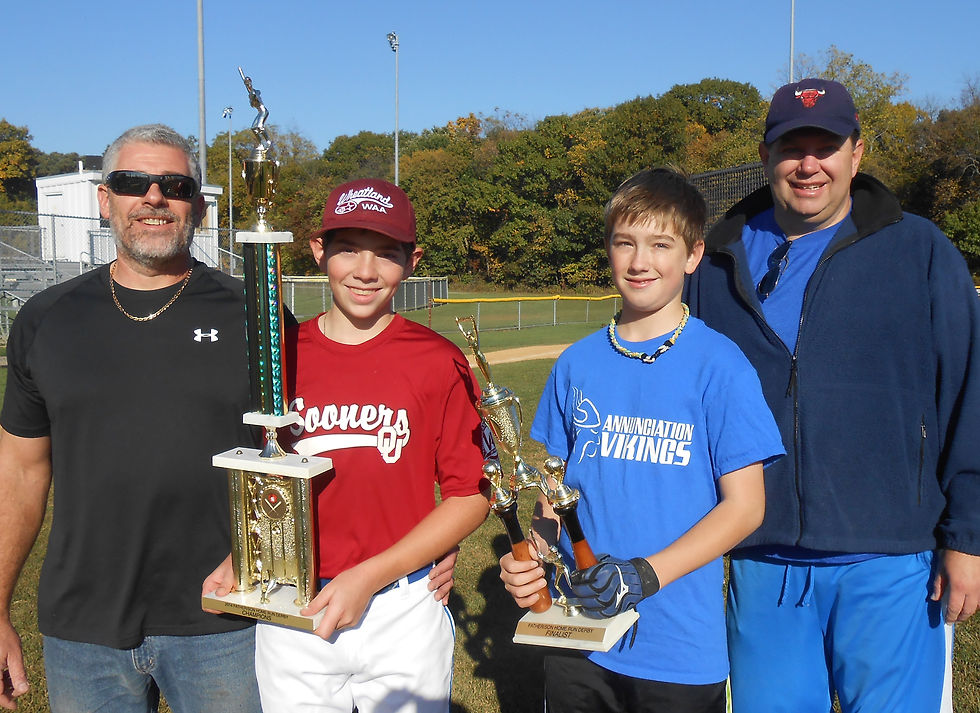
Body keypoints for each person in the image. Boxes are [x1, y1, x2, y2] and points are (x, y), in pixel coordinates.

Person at [686, 78, 980, 713]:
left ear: (857, 153)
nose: (809, 165)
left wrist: (968, 537)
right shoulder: (711, 263)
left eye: (828, 146)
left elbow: (967, 396)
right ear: (766, 157)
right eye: (793, 147)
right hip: (763, 562)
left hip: (891, 557)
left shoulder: (919, 249)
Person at [499, 168, 785, 713]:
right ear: (607, 248)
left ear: (693, 255)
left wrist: (644, 575)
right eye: (624, 242)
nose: (639, 261)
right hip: (579, 632)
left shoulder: (720, 365)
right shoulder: (575, 363)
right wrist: (532, 551)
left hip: (677, 645)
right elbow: (554, 492)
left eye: (660, 244)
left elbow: (746, 508)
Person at [230, 178, 491, 713]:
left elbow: (472, 492)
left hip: (402, 603)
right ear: (319, 250)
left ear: (412, 260)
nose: (366, 271)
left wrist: (370, 577)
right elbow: (255, 478)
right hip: (293, 599)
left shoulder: (437, 359)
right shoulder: (278, 361)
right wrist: (240, 554)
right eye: (348, 248)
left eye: (387, 254)